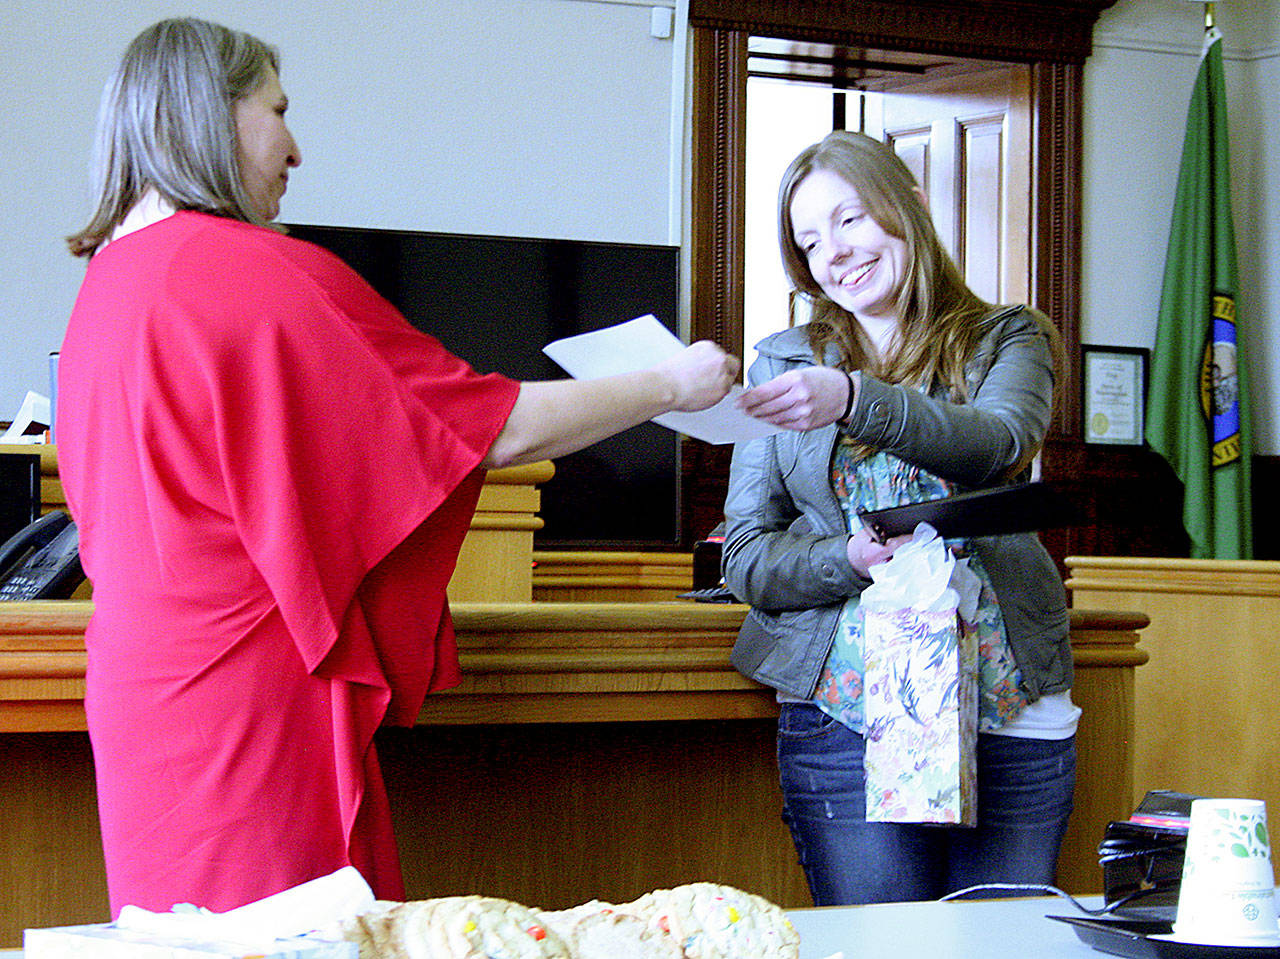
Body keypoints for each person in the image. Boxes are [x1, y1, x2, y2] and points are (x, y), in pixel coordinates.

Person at [57, 17, 738, 917]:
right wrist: (669, 383)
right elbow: (481, 430)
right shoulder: (253, 272)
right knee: (290, 933)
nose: (294, 147)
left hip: (143, 691)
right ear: (212, 115)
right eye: (278, 110)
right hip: (245, 699)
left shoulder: (104, 286)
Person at [721, 130, 1077, 906]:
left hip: (1011, 709)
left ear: (909, 207)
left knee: (1007, 947)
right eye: (810, 241)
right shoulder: (781, 361)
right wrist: (844, 558)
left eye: (849, 220)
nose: (835, 253)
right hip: (846, 719)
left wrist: (854, 397)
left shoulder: (1009, 336)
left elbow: (998, 444)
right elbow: (744, 555)